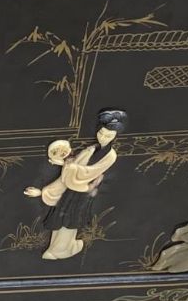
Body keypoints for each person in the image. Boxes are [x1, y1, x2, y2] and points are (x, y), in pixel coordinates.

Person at [24, 108, 127, 260]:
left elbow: (87, 173)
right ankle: (56, 248)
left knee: (69, 222)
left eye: (109, 135)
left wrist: (65, 165)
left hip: (81, 193)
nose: (103, 138)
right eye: (101, 133)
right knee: (60, 220)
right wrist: (43, 190)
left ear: (115, 136)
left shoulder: (110, 156)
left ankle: (62, 250)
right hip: (71, 191)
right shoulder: (91, 149)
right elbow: (71, 170)